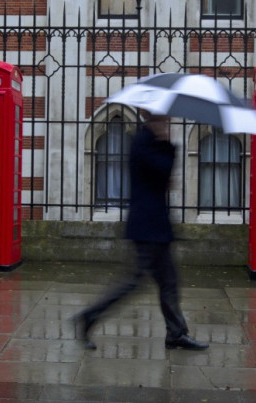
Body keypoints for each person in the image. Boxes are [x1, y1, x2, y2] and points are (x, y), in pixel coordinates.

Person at [72, 112, 209, 351]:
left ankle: (176, 333)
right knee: (133, 282)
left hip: (156, 226)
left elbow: (164, 180)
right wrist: (168, 144)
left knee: (168, 281)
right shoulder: (142, 143)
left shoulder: (150, 142)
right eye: (165, 121)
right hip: (147, 227)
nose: (169, 124)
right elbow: (165, 173)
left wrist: (165, 144)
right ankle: (89, 316)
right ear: (154, 120)